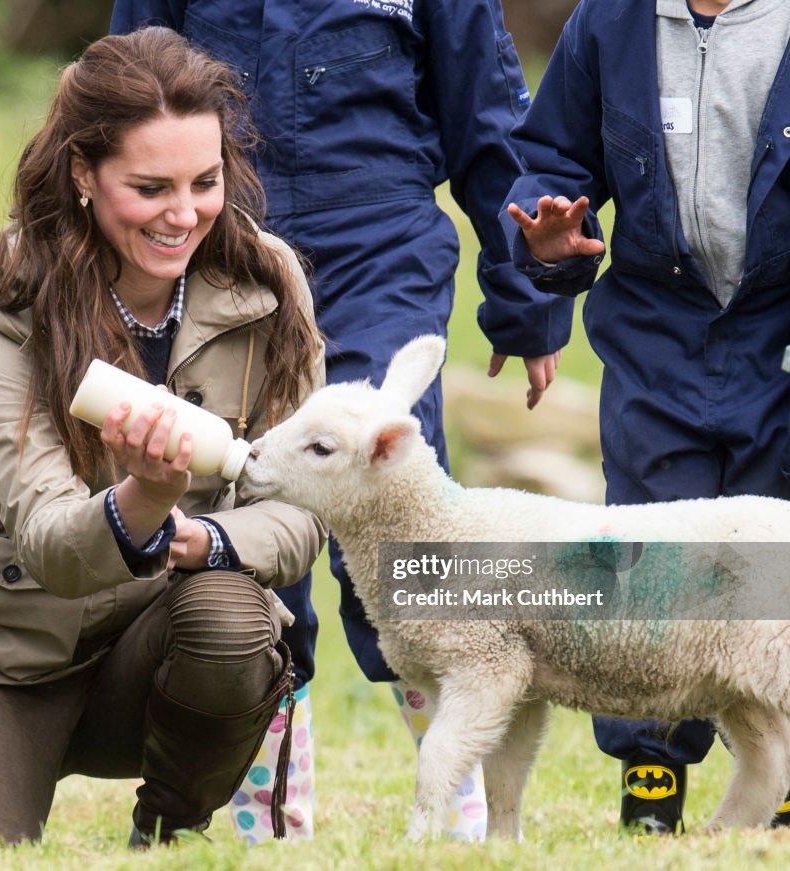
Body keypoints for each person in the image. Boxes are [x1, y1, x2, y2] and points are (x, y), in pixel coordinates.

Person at [0, 27, 326, 853]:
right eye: (150, 187)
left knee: (230, 612)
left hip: (163, 648)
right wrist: (145, 494)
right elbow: (47, 543)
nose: (185, 214)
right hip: (9, 651)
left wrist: (203, 536)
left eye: (205, 182)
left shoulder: (268, 281)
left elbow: (300, 510)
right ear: (84, 173)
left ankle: (170, 826)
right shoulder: (3, 304)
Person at [111, 1, 574, 842]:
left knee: (398, 513)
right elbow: (127, 94)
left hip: (381, 242)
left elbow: (487, 120)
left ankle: (459, 814)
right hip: (224, 247)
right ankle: (267, 823)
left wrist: (526, 300)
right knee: (241, 515)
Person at [502, 0, 790, 835]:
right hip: (658, 334)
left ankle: (780, 770)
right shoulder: (610, 24)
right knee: (651, 551)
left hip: (777, 333)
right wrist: (549, 237)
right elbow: (550, 160)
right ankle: (651, 775)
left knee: (773, 550)